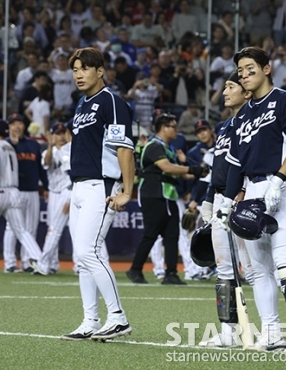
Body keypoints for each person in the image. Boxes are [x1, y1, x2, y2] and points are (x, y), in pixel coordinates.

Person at [219, 46, 286, 353]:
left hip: (279, 190)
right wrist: (226, 201)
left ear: (267, 69)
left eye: (250, 68)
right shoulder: (242, 115)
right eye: (241, 70)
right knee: (258, 270)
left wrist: (279, 178)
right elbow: (235, 164)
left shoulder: (284, 100)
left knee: (285, 265)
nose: (245, 75)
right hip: (252, 193)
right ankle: (271, 333)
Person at [62, 47, 134, 341]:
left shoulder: (112, 101)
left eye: (84, 68)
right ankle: (90, 320)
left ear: (100, 71)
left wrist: (128, 190)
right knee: (83, 257)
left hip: (100, 185)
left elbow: (124, 147)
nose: (79, 74)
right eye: (75, 69)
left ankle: (118, 318)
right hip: (79, 185)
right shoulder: (82, 103)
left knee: (87, 252)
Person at [199, 71, 254, 347]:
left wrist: (241, 192)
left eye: (230, 86)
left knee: (256, 268)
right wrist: (209, 199)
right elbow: (218, 168)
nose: (224, 92)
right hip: (221, 198)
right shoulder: (224, 126)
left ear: (247, 92)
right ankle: (229, 332)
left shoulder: (253, 122)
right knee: (224, 269)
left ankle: (272, 328)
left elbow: (250, 164)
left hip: (244, 198)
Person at [127, 113, 204, 285]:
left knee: (172, 235)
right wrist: (192, 170)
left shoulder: (166, 148)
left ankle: (171, 273)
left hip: (167, 196)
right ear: (163, 128)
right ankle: (135, 269)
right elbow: (166, 167)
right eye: (173, 126)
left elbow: (179, 174)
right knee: (151, 233)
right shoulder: (155, 145)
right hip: (153, 195)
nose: (176, 130)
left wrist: (200, 172)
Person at [3, 113, 49, 274]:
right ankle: (9, 262)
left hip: (32, 190)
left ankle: (27, 261)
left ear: (24, 126)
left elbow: (40, 168)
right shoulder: (6, 144)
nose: (17, 126)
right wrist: (13, 144)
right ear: (8, 128)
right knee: (12, 228)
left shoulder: (33, 145)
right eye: (13, 123)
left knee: (30, 228)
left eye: (20, 123)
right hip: (15, 191)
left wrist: (46, 187)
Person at [38, 123, 72, 274]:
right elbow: (46, 162)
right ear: (52, 135)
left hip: (68, 191)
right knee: (52, 230)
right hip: (53, 193)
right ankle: (52, 264)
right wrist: (50, 146)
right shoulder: (47, 151)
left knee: (56, 230)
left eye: (63, 132)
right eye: (57, 133)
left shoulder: (72, 148)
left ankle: (43, 264)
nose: (61, 136)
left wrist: (71, 199)